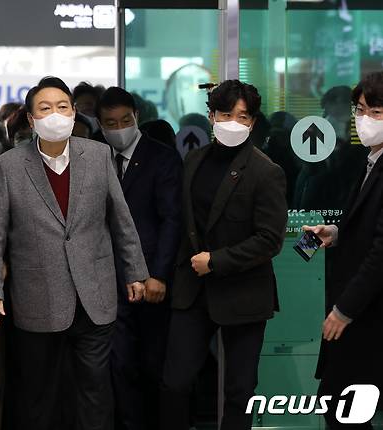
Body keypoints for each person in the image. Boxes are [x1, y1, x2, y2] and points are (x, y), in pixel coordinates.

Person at [0, 76, 149, 430]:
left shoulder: (98, 155)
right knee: (38, 395)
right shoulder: (9, 165)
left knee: (94, 392)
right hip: (37, 297)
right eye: (45, 108)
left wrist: (135, 272)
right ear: (30, 118)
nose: (55, 114)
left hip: (94, 293)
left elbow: (121, 220)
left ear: (73, 112)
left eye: (62, 107)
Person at [160, 80, 288, 430]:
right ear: (211, 116)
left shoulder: (266, 171)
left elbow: (269, 239)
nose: (234, 122)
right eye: (226, 114)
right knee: (175, 382)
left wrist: (216, 261)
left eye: (243, 116)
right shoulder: (194, 159)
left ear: (253, 122)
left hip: (243, 291)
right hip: (193, 291)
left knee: (240, 390)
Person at [97, 87, 183, 430]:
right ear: (100, 125)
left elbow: (172, 220)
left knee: (153, 363)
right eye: (110, 123)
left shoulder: (162, 158)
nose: (118, 128)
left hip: (150, 279)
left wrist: (159, 275)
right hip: (109, 280)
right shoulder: (96, 155)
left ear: (137, 118)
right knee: (119, 365)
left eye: (125, 120)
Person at [304, 71, 383, 430]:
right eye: (361, 110)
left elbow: (381, 251)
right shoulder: (368, 160)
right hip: (361, 310)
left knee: (343, 408)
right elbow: (368, 227)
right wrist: (334, 233)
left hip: (368, 313)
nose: (364, 119)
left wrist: (343, 311)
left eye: (376, 112)